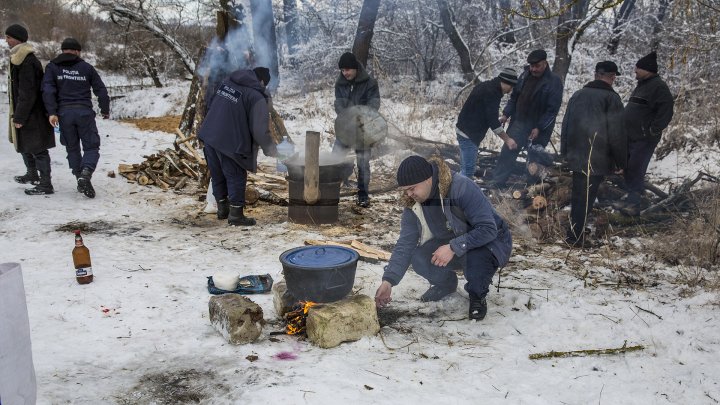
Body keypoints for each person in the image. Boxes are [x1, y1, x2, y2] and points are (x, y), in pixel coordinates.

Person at [374, 155, 512, 320]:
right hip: (453, 240)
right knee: (418, 257)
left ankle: (477, 295)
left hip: (489, 242)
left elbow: (488, 229)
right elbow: (405, 243)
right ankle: (446, 284)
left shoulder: (461, 187)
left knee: (476, 259)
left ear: (427, 179)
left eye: (412, 188)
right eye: (405, 190)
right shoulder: (412, 204)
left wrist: (453, 247)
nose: (409, 194)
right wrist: (388, 280)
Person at [197, 68, 277, 226]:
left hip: (210, 134)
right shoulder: (256, 96)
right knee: (235, 175)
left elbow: (210, 102)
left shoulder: (228, 83)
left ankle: (222, 209)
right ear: (261, 82)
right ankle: (236, 215)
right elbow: (260, 130)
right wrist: (271, 149)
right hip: (230, 141)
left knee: (217, 173)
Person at [560, 61, 626, 246]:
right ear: (612, 77)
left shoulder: (577, 95)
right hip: (598, 157)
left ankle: (574, 233)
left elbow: (565, 125)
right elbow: (617, 133)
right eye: (613, 77)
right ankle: (575, 238)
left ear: (596, 74)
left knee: (578, 196)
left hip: (576, 154)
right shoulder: (612, 99)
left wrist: (564, 152)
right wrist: (621, 162)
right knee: (587, 197)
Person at [42, 37, 109, 199]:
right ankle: (85, 174)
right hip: (84, 113)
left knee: (72, 148)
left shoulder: (52, 67)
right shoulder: (86, 68)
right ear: (78, 51)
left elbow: (47, 90)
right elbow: (101, 89)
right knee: (91, 147)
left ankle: (79, 176)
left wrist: (52, 112)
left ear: (62, 50)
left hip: (64, 115)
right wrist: (105, 109)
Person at [492, 49, 563, 188]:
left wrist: (539, 127)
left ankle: (531, 189)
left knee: (534, 160)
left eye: (537, 66)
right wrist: (506, 114)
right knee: (508, 151)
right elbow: (514, 98)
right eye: (531, 66)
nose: (533, 69)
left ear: (545, 64)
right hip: (519, 122)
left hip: (539, 128)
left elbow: (552, 110)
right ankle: (497, 183)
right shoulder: (525, 75)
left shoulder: (554, 82)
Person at [619, 51, 674, 215]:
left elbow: (666, 111)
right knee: (628, 167)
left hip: (644, 138)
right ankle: (633, 196)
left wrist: (652, 130)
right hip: (631, 136)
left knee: (636, 168)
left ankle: (635, 204)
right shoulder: (642, 85)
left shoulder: (659, 87)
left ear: (647, 69)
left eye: (638, 69)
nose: (635, 71)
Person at [5, 24, 55, 195]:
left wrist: (20, 117)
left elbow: (28, 92)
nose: (6, 41)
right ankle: (32, 174)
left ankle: (46, 184)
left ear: (17, 38)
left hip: (32, 114)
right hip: (25, 111)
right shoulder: (19, 57)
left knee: (38, 148)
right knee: (24, 144)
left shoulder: (27, 60)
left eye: (9, 37)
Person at [333, 52, 381, 208]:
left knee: (363, 162)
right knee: (335, 158)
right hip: (345, 128)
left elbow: (374, 105)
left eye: (347, 69)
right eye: (342, 70)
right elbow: (339, 104)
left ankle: (363, 194)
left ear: (355, 68)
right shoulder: (340, 84)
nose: (345, 73)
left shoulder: (370, 83)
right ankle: (331, 190)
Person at [456, 67, 518, 179]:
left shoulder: (487, 86)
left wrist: (493, 120)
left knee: (466, 169)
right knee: (468, 172)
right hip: (468, 135)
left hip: (464, 130)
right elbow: (493, 122)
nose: (511, 90)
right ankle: (458, 194)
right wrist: (508, 140)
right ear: (507, 83)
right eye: (512, 86)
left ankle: (457, 191)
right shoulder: (492, 93)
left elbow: (485, 113)